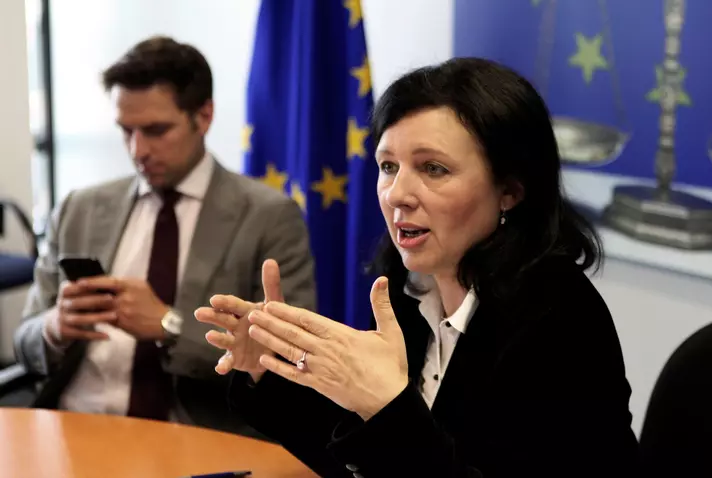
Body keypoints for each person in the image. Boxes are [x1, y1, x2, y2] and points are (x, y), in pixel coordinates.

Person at [196, 58, 639, 476]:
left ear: (510, 191)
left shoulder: (559, 318)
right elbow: (362, 463)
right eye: (388, 166)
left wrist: (387, 409)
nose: (396, 194)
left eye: (433, 168)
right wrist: (266, 368)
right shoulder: (410, 292)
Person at [12, 36, 316, 436]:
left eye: (156, 130)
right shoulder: (78, 209)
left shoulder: (268, 217)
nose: (138, 150)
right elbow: (23, 340)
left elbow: (289, 359)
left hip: (193, 436)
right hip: (71, 426)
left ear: (203, 116)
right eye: (127, 131)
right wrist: (53, 328)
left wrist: (169, 325)